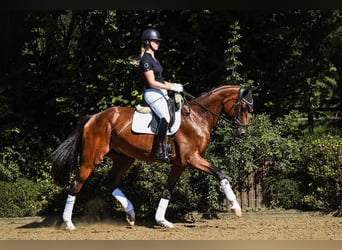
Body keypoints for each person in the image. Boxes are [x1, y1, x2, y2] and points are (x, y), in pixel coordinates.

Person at [139, 28, 183, 160]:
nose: (158, 43)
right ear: (147, 42)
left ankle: (169, 145)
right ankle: (158, 149)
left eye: (158, 41)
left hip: (160, 91)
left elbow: (160, 80)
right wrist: (170, 86)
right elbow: (152, 83)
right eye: (155, 41)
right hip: (152, 93)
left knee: (174, 111)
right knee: (165, 117)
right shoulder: (145, 60)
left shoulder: (155, 59)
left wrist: (174, 85)